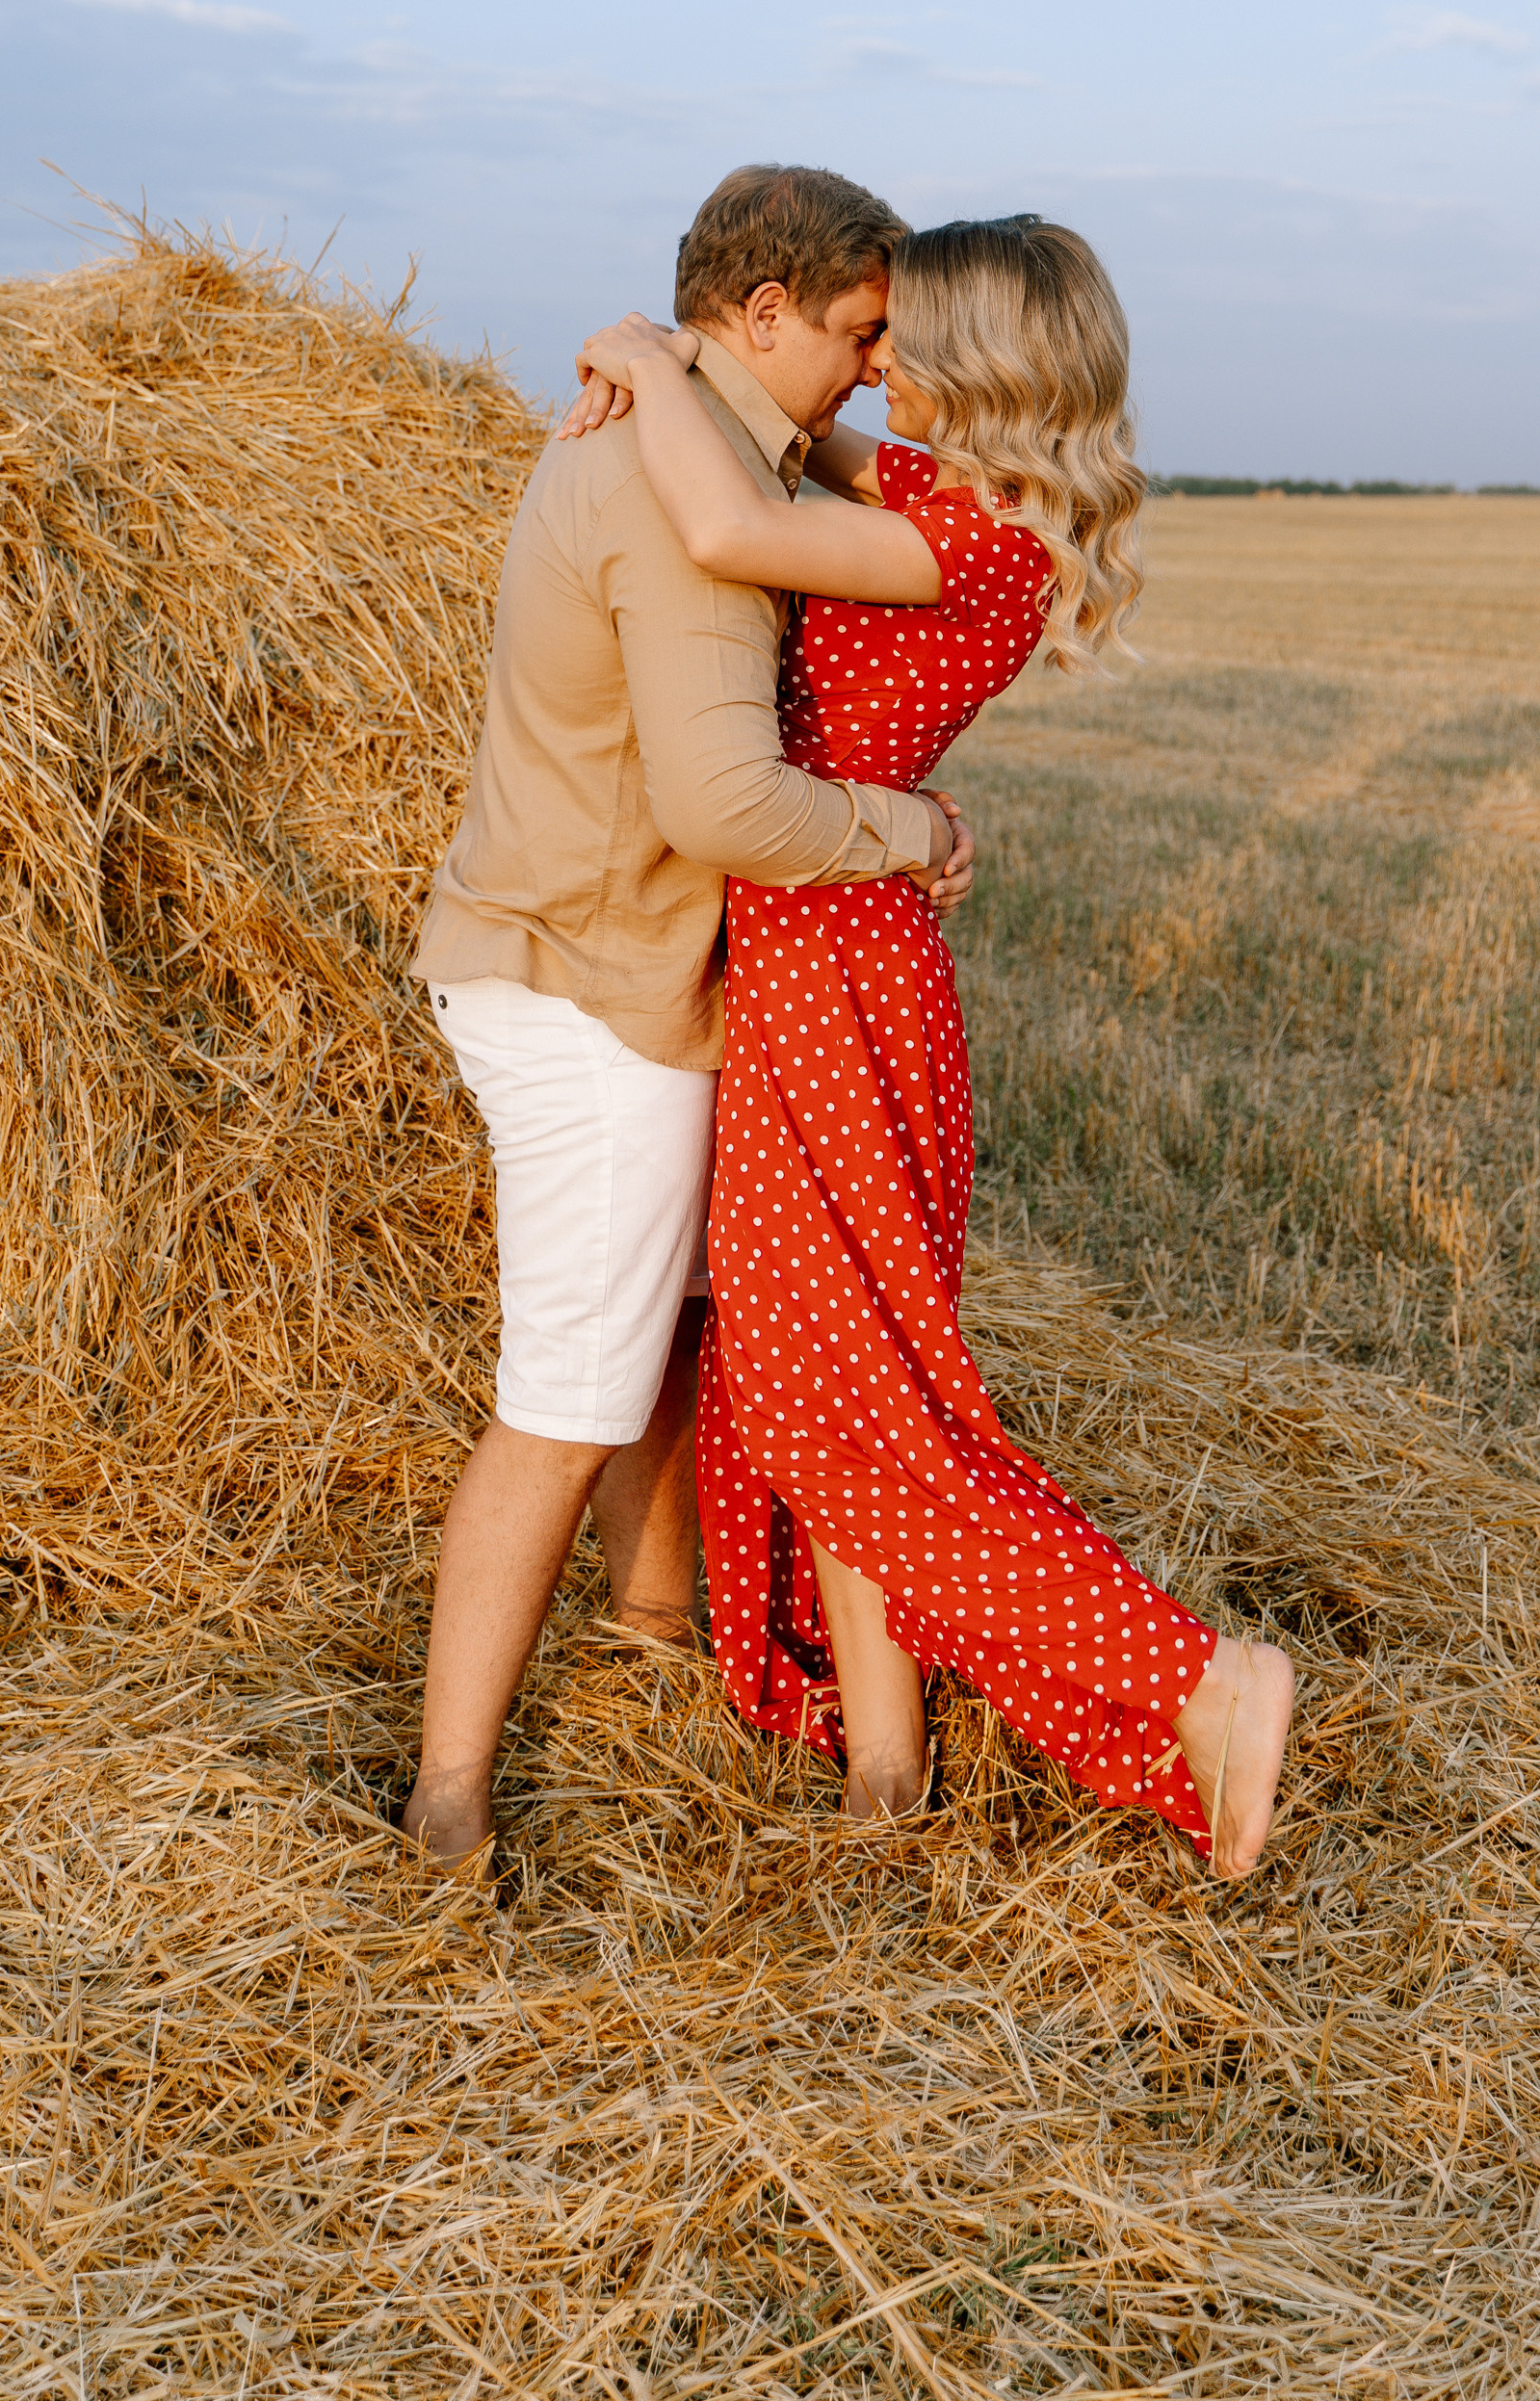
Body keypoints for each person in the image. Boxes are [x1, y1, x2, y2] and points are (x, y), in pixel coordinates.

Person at [566, 218, 1292, 1879]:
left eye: (905, 343)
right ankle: (886, 1773)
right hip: (826, 964)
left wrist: (631, 348)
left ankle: (1202, 1679)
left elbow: (733, 512)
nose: (871, 364)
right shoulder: (939, 498)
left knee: (853, 1419)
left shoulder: (969, 539)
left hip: (843, 981)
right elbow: (794, 438)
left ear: (979, 367)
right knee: (836, 1395)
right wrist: (697, 364)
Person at [403, 166, 975, 1868]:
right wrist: (912, 831)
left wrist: (641, 349)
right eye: (860, 334)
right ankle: (445, 1808)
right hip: (599, 986)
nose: (875, 371)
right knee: (569, 1395)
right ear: (767, 313)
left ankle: (655, 1645)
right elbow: (728, 807)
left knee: (665, 1338)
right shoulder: (686, 487)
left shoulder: (675, 428)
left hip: (580, 955)